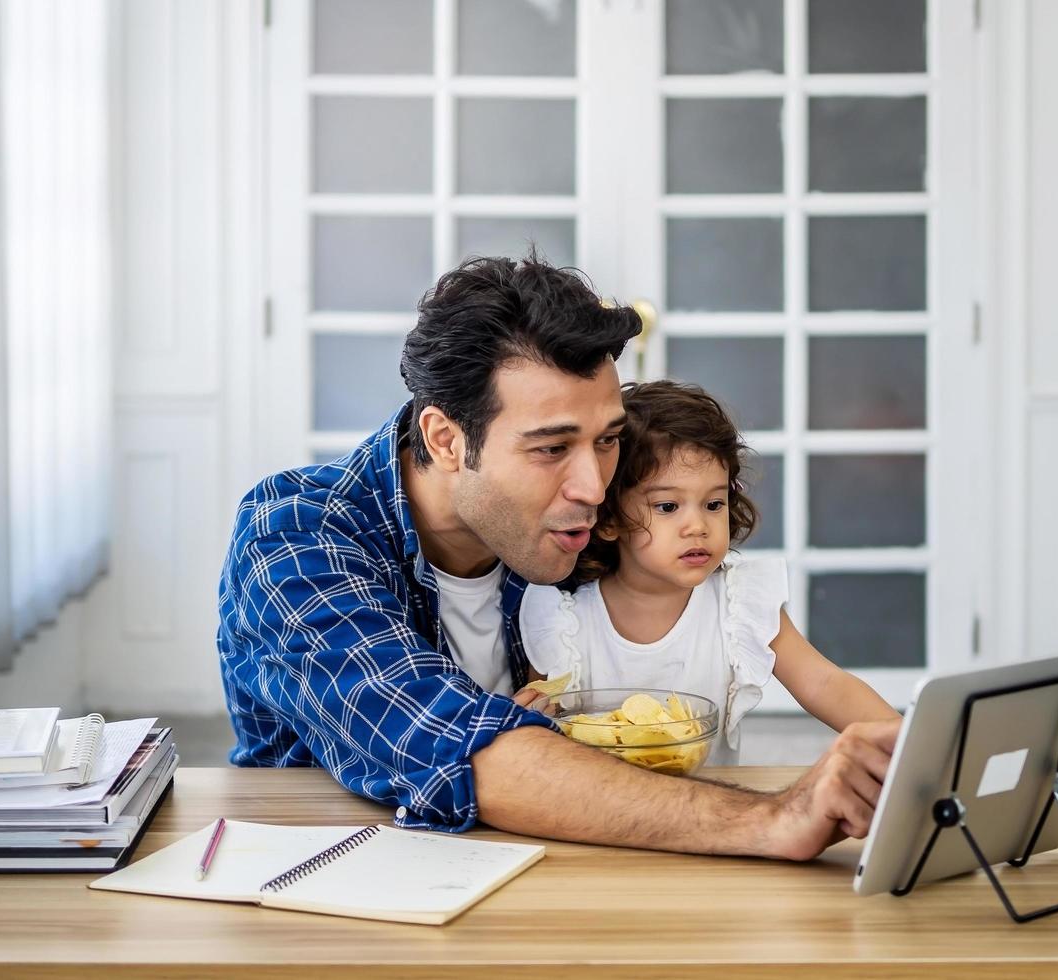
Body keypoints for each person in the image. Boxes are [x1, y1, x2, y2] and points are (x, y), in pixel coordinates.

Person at [217, 252, 901, 860]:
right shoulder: (297, 537)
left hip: (559, 876)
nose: (594, 487)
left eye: (606, 440)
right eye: (550, 448)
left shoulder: (584, 523)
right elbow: (463, 751)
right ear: (448, 440)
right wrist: (775, 815)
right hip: (332, 898)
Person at [514, 380, 899, 764]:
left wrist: (908, 746)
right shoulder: (564, 621)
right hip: (601, 816)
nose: (697, 525)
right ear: (610, 518)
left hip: (713, 809)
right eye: (668, 507)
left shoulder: (738, 603)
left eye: (714, 503)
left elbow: (824, 682)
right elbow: (540, 732)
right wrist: (525, 719)